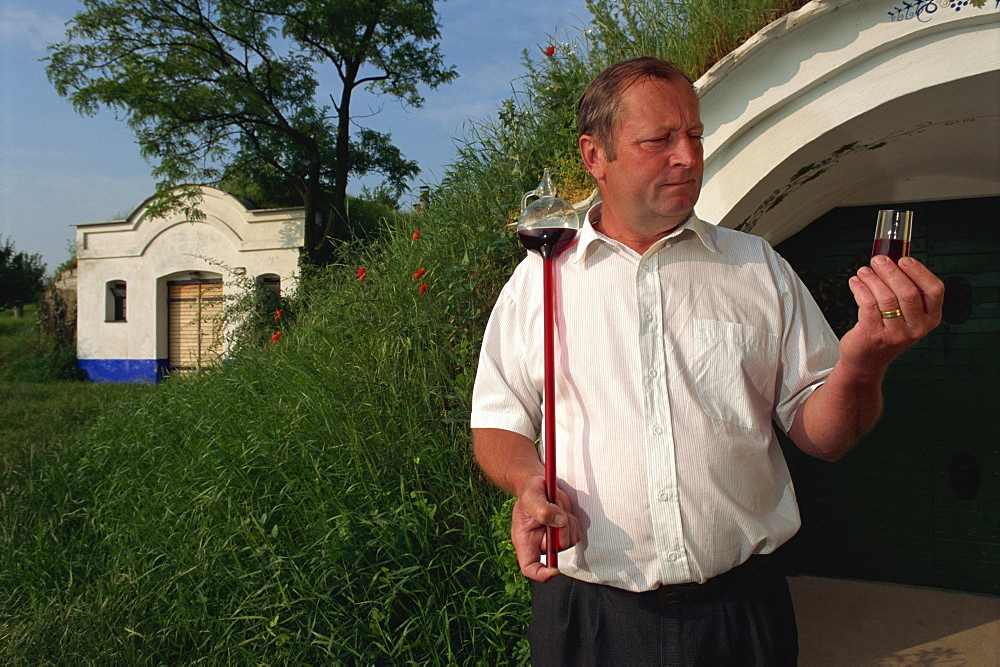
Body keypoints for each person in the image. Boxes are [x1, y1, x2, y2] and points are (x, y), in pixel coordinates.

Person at [470, 57, 944, 665]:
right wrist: (525, 483)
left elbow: (824, 439)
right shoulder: (539, 281)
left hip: (741, 619)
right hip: (587, 619)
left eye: (693, 135)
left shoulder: (757, 268)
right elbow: (497, 421)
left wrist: (863, 364)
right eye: (657, 140)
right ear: (595, 156)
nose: (687, 157)